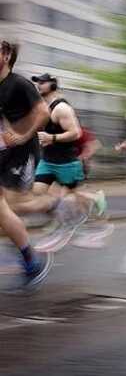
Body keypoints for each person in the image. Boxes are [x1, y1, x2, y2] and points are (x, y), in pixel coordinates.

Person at [8, 73, 107, 252]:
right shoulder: (42, 107)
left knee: (73, 196)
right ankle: (63, 218)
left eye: (43, 82)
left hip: (67, 163)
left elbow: (76, 133)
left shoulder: (61, 108)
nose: (38, 85)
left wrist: (52, 137)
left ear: (53, 84)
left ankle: (94, 201)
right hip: (47, 161)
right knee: (38, 192)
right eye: (37, 82)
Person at [0, 40, 53, 290]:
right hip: (2, 153)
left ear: (7, 55)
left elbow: (43, 113)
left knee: (11, 206)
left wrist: (23, 136)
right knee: (6, 210)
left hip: (22, 153)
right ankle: (27, 256)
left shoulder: (19, 84)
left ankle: (58, 204)